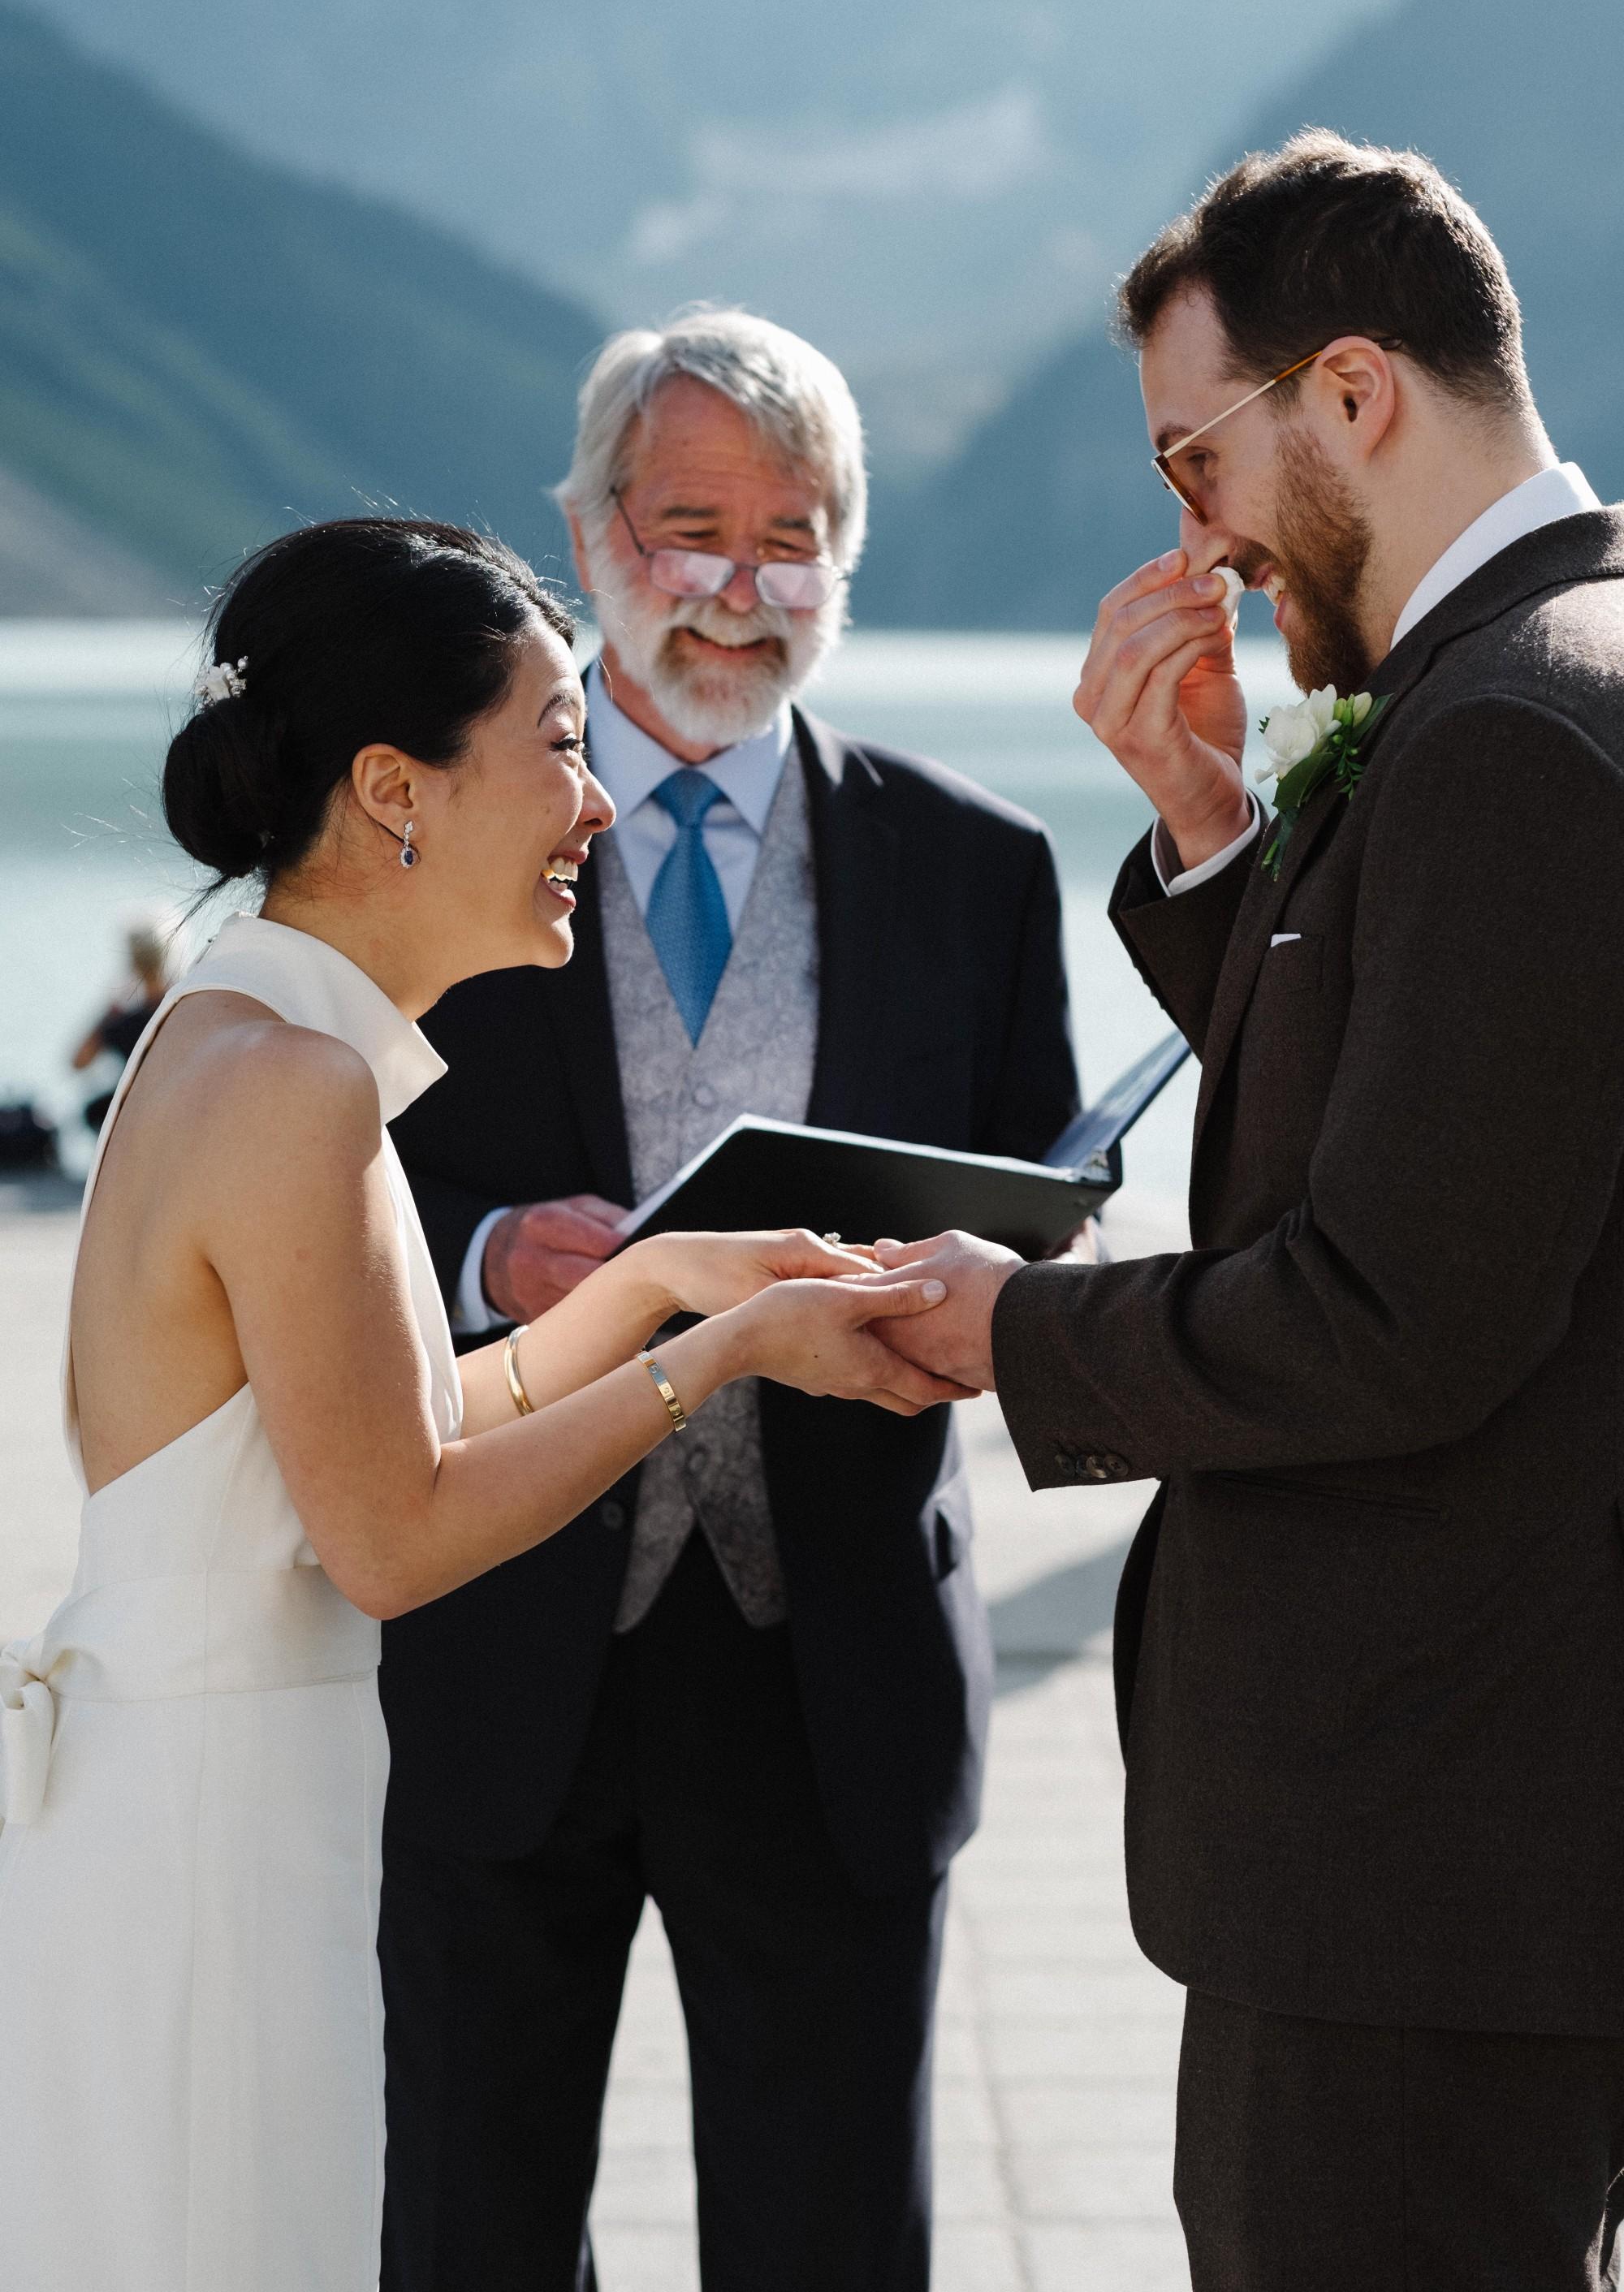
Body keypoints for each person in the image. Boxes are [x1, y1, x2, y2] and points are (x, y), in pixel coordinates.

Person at [0, 516, 961, 2292]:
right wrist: (715, 1360)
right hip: (223, 1849)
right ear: (395, 790)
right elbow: (394, 1531)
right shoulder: (295, 1087)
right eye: (561, 743)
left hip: (199, 1797)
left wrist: (662, 1281)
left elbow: (399, 1418)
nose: (596, 806)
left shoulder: (231, 1029)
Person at [866, 132, 1624, 2290]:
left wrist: (1011, 1330)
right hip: (1493, 1843)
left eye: (1196, 458)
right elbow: (1467, 1130)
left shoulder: (1510, 735)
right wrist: (1213, 827)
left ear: (1355, 396)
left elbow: (1401, 1305)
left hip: (1441, 1857)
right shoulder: (1548, 671)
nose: (1191, 536)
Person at [379, 309, 1082, 2292]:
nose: (740, 585)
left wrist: (972, 1292)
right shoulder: (434, 830)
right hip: (510, 1635)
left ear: (842, 558)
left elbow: (1038, 1205)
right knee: (469, 2228)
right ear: (593, 531)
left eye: (793, 535)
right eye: (693, 526)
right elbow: (339, 1153)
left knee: (830, 2242)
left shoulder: (977, 862)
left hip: (831, 1652)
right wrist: (487, 1250)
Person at [71, 916, 172, 1131]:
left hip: (135, 1110)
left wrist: (110, 1007)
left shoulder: (125, 1020)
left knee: (94, 1111)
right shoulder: (184, 1004)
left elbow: (78, 1062)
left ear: (132, 962)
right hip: (174, 1102)